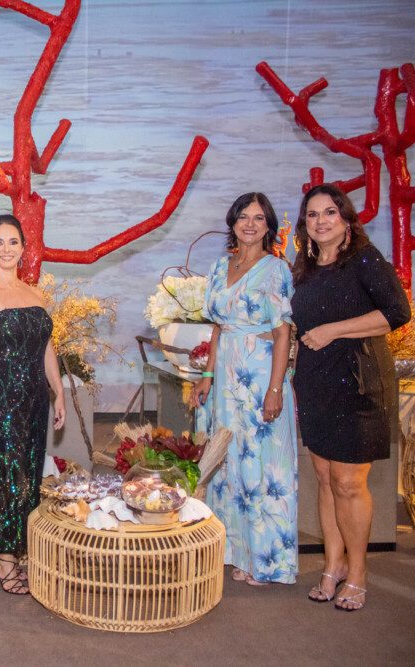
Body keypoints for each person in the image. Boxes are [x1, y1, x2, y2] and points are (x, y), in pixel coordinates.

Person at [290, 184, 410, 611]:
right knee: (325, 478)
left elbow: (397, 313)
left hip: (358, 382)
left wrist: (333, 330)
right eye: (312, 214)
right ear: (304, 224)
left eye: (330, 212)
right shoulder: (305, 268)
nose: (321, 221)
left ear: (346, 219)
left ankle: (358, 572)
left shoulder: (364, 258)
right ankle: (333, 564)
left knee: (348, 482)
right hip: (315, 382)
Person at [191, 193, 297, 586]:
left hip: (260, 376)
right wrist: (207, 375)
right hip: (226, 378)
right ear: (232, 222)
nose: (249, 224)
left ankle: (268, 562)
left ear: (269, 226)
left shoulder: (276, 269)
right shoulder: (221, 266)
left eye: (258, 218)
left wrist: (275, 389)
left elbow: (283, 333)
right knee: (229, 465)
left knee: (263, 468)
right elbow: (218, 327)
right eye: (243, 217)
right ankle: (238, 553)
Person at [0, 214, 66, 595]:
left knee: (28, 477)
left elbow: (47, 349)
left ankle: (18, 548)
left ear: (24, 248)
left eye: (13, 242)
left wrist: (59, 392)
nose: (6, 249)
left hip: (35, 402)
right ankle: (3, 558)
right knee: (2, 478)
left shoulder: (36, 295)